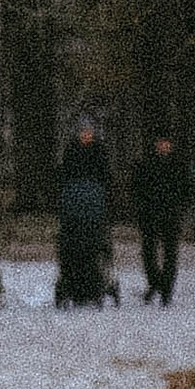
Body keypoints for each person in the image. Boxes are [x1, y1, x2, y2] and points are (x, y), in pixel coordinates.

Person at [54, 118, 114, 309]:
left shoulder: (99, 152)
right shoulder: (71, 151)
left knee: (93, 249)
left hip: (93, 209)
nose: (86, 135)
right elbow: (64, 174)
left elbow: (105, 176)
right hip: (74, 210)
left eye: (89, 132)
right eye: (83, 132)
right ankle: (73, 286)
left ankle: (93, 286)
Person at [129, 130, 192, 305]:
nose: (164, 146)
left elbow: (186, 189)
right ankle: (155, 282)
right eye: (160, 142)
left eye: (166, 142)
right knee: (148, 252)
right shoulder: (146, 163)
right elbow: (136, 187)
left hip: (171, 213)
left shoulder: (178, 165)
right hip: (149, 213)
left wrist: (180, 205)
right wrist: (141, 206)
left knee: (170, 253)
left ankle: (167, 287)